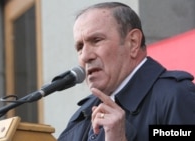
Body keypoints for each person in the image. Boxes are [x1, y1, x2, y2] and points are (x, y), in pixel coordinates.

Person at [57, 2, 195, 141]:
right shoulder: (81, 116)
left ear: (133, 42)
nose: (85, 56)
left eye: (96, 40)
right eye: (80, 47)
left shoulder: (175, 96)